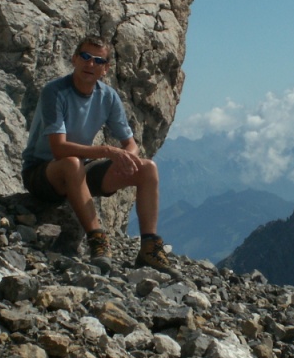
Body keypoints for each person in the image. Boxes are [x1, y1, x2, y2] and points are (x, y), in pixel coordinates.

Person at [21, 35, 177, 275]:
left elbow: (130, 143)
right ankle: (98, 240)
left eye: (98, 60)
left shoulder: (107, 96)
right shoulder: (55, 92)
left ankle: (149, 248)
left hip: (79, 172)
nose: (90, 64)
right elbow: (58, 149)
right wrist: (106, 151)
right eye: (85, 57)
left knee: (148, 168)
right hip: (42, 173)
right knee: (71, 163)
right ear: (74, 59)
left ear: (106, 68)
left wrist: (128, 159)